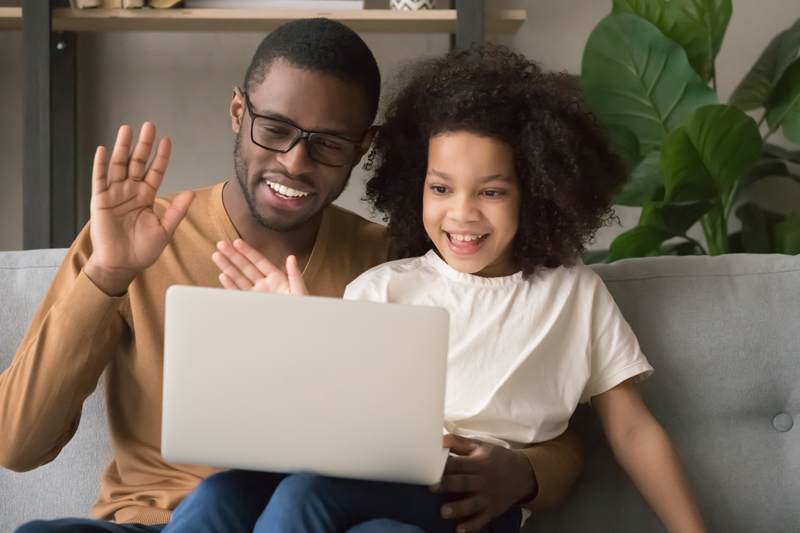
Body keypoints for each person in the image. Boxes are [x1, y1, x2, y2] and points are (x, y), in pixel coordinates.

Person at [0, 20, 581, 533]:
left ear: (363, 148)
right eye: (274, 130)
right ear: (237, 111)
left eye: (327, 145)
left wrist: (525, 474)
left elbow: (529, 410)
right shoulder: (128, 240)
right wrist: (107, 274)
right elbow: (17, 445)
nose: (294, 162)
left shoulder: (397, 267)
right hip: (161, 521)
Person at [195, 45, 708, 533]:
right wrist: (304, 339)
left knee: (307, 497)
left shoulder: (575, 296)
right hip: (379, 481)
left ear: (538, 190)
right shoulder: (382, 289)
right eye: (440, 188)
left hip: (476, 498)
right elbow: (338, 423)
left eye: (491, 191)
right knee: (220, 497)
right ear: (414, 183)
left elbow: (634, 431)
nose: (462, 213)